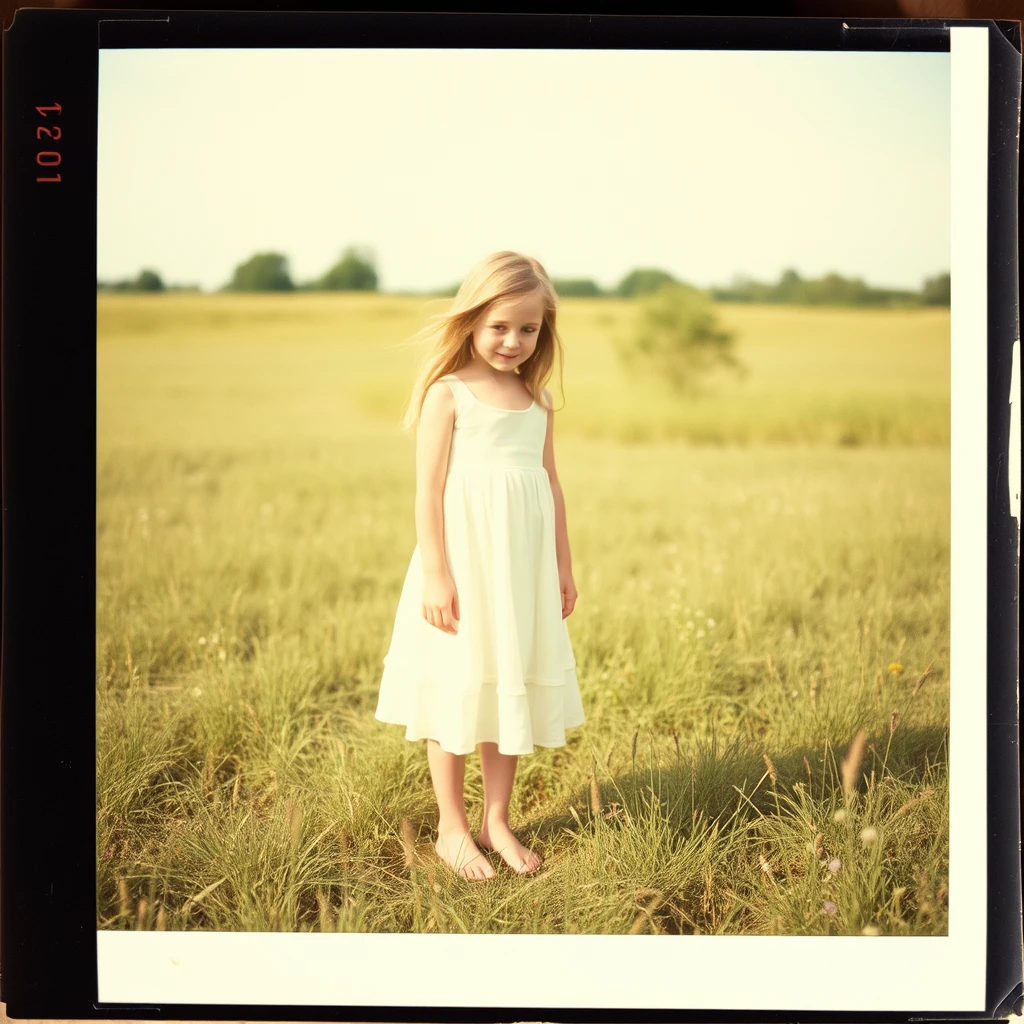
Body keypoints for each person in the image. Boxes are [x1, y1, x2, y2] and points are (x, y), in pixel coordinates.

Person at [375, 251, 585, 881]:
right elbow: (428, 491)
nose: (514, 341)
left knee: (504, 682)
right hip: (463, 569)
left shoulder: (537, 400)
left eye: (529, 329)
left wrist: (563, 568)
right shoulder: (450, 395)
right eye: (499, 326)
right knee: (457, 684)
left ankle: (497, 820)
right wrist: (437, 573)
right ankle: (451, 828)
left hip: (519, 573)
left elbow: (550, 485)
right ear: (471, 319)